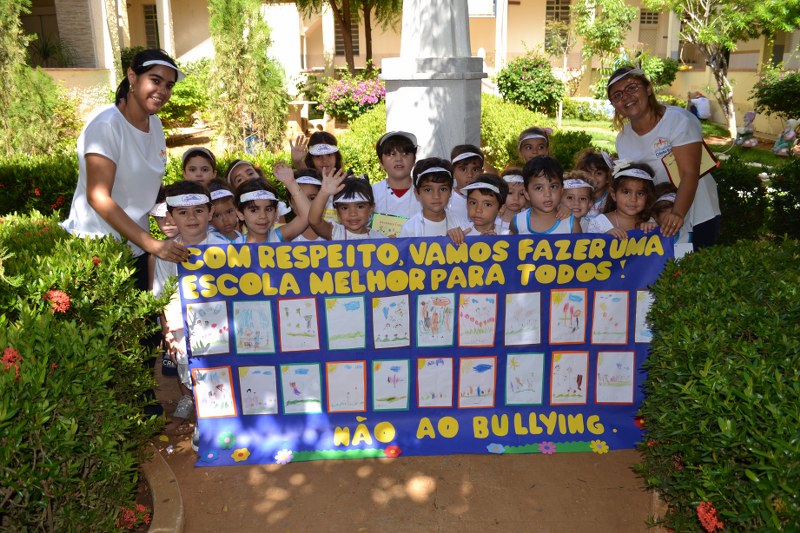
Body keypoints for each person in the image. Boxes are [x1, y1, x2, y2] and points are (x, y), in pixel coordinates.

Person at [61, 49, 189, 290]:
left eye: (169, 86)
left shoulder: (156, 124)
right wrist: (152, 244)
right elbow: (98, 196)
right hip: (100, 251)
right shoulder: (106, 125)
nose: (163, 91)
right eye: (155, 80)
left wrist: (165, 214)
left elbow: (146, 181)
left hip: (136, 247)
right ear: (132, 77)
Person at [608, 66, 721, 248]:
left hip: (698, 212)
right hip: (658, 219)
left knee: (692, 269)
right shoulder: (623, 139)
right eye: (617, 95)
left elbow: (689, 173)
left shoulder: (679, 120)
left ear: (648, 88)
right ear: (614, 104)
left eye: (632, 88)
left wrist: (677, 214)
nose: (626, 97)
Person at [152, 181, 228, 435]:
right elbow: (163, 297)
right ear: (171, 215)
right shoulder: (166, 253)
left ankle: (225, 421)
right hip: (185, 330)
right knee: (194, 377)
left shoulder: (229, 248)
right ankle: (204, 423)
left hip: (226, 329)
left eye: (198, 210)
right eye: (183, 212)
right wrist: (168, 334)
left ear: (210, 211)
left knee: (225, 377)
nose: (191, 217)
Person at [235, 162, 310, 243]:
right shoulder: (233, 248)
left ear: (276, 211)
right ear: (240, 214)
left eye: (268, 209)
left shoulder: (278, 237)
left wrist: (290, 182)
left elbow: (308, 215)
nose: (263, 216)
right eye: (254, 210)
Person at [398, 158, 470, 239]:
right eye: (428, 190)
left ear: (450, 192)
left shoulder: (461, 225)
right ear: (417, 193)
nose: (436, 196)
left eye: (443, 189)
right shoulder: (410, 229)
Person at [586, 161, 658, 239]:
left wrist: (654, 230)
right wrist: (604, 238)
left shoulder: (649, 221)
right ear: (613, 195)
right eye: (626, 192)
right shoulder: (599, 223)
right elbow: (589, 247)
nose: (633, 199)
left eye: (640, 194)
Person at [308, 169, 387, 240]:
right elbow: (314, 221)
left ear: (371, 208)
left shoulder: (380, 239)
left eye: (360, 206)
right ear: (337, 211)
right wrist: (324, 193)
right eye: (345, 208)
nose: (352, 214)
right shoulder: (336, 232)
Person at [511, 156, 579, 235]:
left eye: (553, 187)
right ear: (526, 193)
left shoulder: (571, 225)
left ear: (561, 190)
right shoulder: (517, 222)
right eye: (539, 188)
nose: (548, 194)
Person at [371, 131, 421, 219]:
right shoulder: (372, 193)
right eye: (391, 154)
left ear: (414, 160)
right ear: (381, 163)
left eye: (405, 153)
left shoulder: (425, 192)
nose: (398, 159)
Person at [574, 148, 612, 222]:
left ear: (608, 177)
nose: (592, 177)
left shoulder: (611, 200)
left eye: (598, 173)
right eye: (588, 172)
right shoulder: (574, 195)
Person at [449, 145, 485, 220]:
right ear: (453, 172)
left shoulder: (488, 199)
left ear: (482, 172)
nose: (470, 175)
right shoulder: (447, 199)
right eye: (463, 169)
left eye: (475, 170)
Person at [290, 169, 326, 242]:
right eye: (300, 199)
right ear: (290, 202)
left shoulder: (336, 231)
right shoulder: (284, 235)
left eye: (312, 198)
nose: (306, 204)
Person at [497, 168, 529, 234]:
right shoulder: (492, 218)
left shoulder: (529, 218)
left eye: (521, 194)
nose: (516, 198)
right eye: (510, 193)